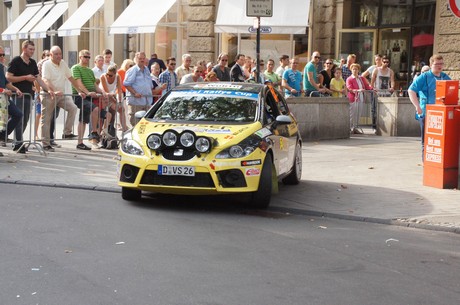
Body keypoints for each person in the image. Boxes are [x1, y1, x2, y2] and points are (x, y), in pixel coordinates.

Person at [6, 40, 52, 153]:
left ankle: (17, 141)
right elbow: (8, 77)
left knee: (25, 119)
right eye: (30, 49)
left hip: (28, 95)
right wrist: (25, 77)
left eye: (33, 49)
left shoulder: (32, 62)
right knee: (19, 118)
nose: (32, 51)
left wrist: (48, 89)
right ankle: (18, 143)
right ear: (24, 49)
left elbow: (38, 78)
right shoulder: (16, 61)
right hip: (18, 94)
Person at [408, 54, 451, 156]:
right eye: (437, 64)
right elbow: (411, 90)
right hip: (426, 112)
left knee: (439, 139)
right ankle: (425, 161)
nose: (440, 66)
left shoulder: (445, 76)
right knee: (427, 139)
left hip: (440, 113)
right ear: (431, 64)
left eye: (441, 64)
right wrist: (417, 106)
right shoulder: (424, 77)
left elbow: (451, 88)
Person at [40, 46, 80, 152]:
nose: (59, 56)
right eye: (56, 54)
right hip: (49, 94)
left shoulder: (63, 63)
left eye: (60, 54)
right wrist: (52, 91)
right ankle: (45, 143)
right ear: (51, 55)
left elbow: (71, 78)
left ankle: (67, 133)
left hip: (61, 94)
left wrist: (79, 91)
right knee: (47, 118)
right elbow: (45, 79)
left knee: (73, 108)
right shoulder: (46, 64)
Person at [71, 49, 107, 150]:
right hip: (80, 96)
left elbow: (95, 85)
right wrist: (87, 92)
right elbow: (78, 82)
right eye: (85, 56)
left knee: (83, 120)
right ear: (80, 57)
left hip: (89, 96)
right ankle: (94, 132)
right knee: (94, 109)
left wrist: (103, 92)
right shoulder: (76, 68)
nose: (87, 59)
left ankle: (80, 142)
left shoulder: (89, 70)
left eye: (88, 57)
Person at [0, 45, 23, 150]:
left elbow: (6, 82)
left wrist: (15, 89)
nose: (2, 56)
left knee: (18, 114)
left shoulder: (1, 67)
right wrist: (3, 90)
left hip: (4, 100)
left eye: (3, 54)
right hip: (2, 97)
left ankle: (3, 136)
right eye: (0, 55)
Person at [124, 51, 153, 127]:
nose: (142, 60)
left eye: (143, 58)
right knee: (136, 123)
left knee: (145, 125)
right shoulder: (132, 70)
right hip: (136, 102)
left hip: (146, 101)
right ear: (136, 59)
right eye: (140, 58)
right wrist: (135, 93)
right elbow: (126, 84)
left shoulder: (147, 69)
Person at [100, 63, 127, 134]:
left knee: (121, 109)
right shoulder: (103, 77)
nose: (108, 76)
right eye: (107, 74)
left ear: (115, 74)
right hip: (103, 96)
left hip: (111, 95)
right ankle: (104, 131)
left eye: (110, 75)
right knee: (111, 111)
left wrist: (120, 102)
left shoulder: (117, 77)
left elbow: (120, 90)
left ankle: (124, 128)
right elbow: (106, 91)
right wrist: (115, 101)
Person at [346, 63, 373, 134]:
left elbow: (367, 86)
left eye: (356, 69)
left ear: (358, 70)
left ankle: (355, 127)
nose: (355, 71)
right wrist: (357, 90)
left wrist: (373, 89)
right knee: (352, 114)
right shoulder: (349, 79)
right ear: (351, 70)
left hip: (361, 97)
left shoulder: (361, 78)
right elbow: (349, 88)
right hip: (353, 98)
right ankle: (348, 128)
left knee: (358, 113)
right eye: (353, 69)